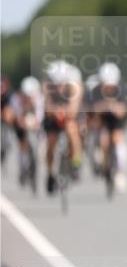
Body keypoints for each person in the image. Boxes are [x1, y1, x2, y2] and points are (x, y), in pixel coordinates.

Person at [41, 60, 84, 193]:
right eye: (55, 84)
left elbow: (74, 108)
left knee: (72, 130)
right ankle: (50, 174)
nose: (58, 87)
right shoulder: (47, 85)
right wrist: (54, 111)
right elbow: (47, 107)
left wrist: (65, 111)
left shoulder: (74, 85)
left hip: (69, 115)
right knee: (51, 142)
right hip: (53, 117)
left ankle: (75, 162)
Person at [91, 62, 127, 191]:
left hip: (116, 120)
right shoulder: (96, 91)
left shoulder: (121, 90)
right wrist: (105, 106)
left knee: (118, 140)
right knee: (103, 139)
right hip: (101, 120)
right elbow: (94, 111)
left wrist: (110, 106)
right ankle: (102, 163)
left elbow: (122, 112)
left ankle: (120, 171)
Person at [12, 76, 44, 189]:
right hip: (22, 123)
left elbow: (39, 116)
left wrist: (35, 123)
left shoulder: (40, 99)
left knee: (39, 145)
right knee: (22, 144)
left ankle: (35, 164)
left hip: (34, 124)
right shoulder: (16, 99)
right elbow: (17, 116)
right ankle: (22, 166)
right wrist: (22, 123)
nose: (28, 98)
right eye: (26, 96)